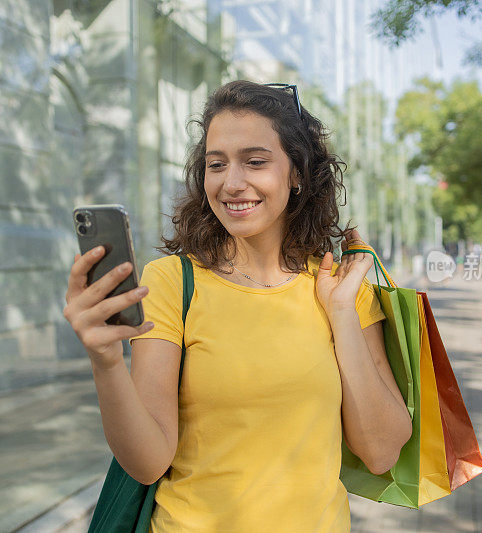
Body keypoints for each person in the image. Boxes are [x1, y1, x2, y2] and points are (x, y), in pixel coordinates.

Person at [63, 80, 412, 532]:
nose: (232, 183)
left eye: (255, 162)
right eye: (216, 164)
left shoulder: (340, 285)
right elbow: (148, 464)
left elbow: (382, 452)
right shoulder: (171, 283)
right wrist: (105, 361)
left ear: (298, 172)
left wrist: (342, 314)